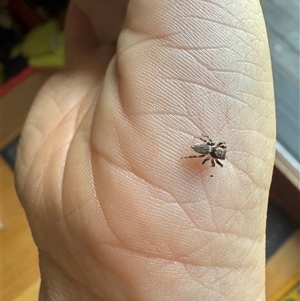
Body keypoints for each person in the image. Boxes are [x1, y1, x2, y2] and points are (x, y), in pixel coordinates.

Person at [15, 0, 276, 300]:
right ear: (215, 153)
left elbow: (207, 148)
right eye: (218, 154)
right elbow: (207, 146)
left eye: (216, 155)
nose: (217, 155)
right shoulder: (211, 153)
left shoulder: (210, 153)